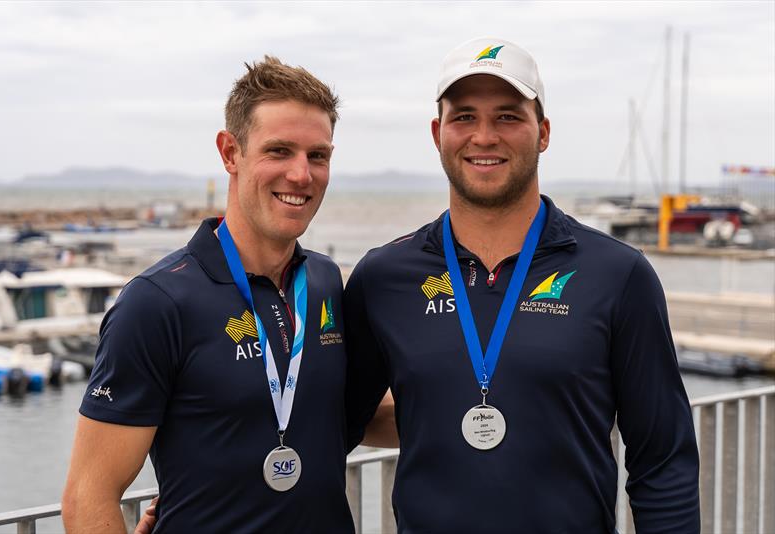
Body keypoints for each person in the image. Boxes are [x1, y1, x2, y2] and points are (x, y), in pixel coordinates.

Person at [344, 37, 700, 533]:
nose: (484, 136)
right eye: (463, 116)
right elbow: (331, 421)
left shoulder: (618, 274)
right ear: (437, 132)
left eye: (508, 116)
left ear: (543, 132)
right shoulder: (383, 278)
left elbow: (663, 461)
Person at [62, 56, 355, 533]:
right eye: (279, 151)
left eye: (317, 156)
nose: (302, 175)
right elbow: (88, 495)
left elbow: (361, 410)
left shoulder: (324, 281)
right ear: (230, 152)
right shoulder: (157, 302)